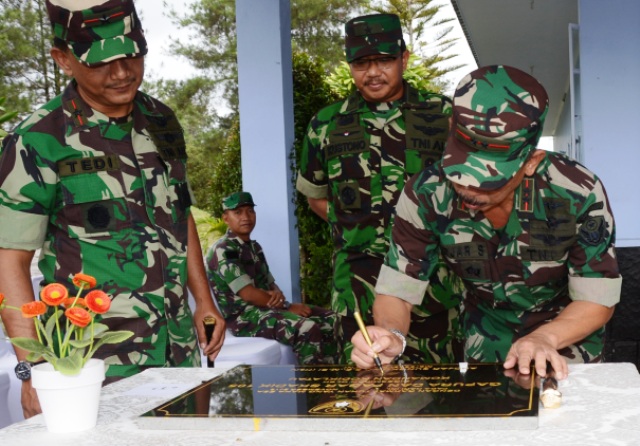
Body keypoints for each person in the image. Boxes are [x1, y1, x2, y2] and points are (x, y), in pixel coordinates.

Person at [0, 0, 225, 418]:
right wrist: (31, 372)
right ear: (63, 59)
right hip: (90, 366)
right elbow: (9, 261)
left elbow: (180, 214)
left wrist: (204, 301)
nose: (121, 73)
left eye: (130, 54)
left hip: (177, 351)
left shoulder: (161, 120)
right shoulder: (37, 140)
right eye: (101, 62)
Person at [351, 65, 622, 380]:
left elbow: (596, 297)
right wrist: (390, 335)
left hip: (566, 346)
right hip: (485, 349)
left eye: (489, 179)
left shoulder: (577, 191)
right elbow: (398, 287)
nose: (468, 188)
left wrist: (544, 338)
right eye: (459, 169)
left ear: (531, 161)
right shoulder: (425, 194)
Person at [296, 13, 463, 363]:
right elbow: (317, 199)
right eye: (361, 63)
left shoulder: (442, 115)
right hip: (357, 289)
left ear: (404, 58)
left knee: (437, 396)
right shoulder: (326, 124)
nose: (373, 72)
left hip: (431, 285)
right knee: (363, 394)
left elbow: (468, 191)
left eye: (384, 60)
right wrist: (358, 232)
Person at [205, 192, 338, 364]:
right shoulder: (224, 249)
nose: (246, 217)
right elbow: (249, 294)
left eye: (250, 211)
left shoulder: (254, 247)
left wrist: (283, 301)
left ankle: (332, 378)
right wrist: (286, 307)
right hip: (244, 319)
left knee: (332, 320)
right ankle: (314, 387)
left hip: (266, 310)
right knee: (306, 328)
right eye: (237, 212)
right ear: (225, 218)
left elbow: (271, 285)